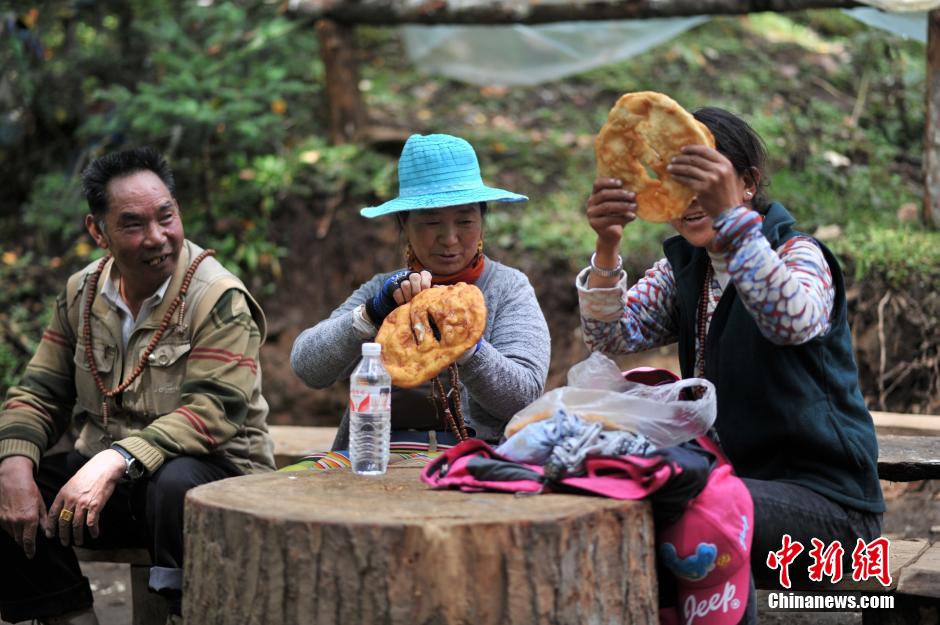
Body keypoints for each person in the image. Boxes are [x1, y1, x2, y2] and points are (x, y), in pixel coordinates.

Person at [577, 108, 883, 619]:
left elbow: (789, 321)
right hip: (730, 491)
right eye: (680, 181)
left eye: (709, 179)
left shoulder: (800, 255)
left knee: (699, 508)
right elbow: (610, 335)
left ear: (747, 184)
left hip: (833, 515)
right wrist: (607, 246)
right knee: (640, 500)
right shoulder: (687, 268)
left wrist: (732, 222)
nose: (693, 197)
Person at [0, 147, 275, 625]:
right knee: (8, 482)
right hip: (110, 487)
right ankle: (68, 616)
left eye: (166, 217)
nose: (157, 237)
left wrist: (116, 459)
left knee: (176, 483)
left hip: (214, 481)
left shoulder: (217, 298)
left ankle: (187, 614)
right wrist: (14, 464)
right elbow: (40, 392)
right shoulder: (82, 293)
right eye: (132, 224)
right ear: (97, 231)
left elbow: (212, 411)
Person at [288, 133, 550, 468]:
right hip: (374, 457)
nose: (450, 238)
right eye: (431, 222)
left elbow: (524, 395)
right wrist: (371, 315)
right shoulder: (384, 290)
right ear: (405, 224)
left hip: (473, 461)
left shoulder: (508, 287)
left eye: (465, 221)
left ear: (482, 222)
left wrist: (465, 344)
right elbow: (307, 367)